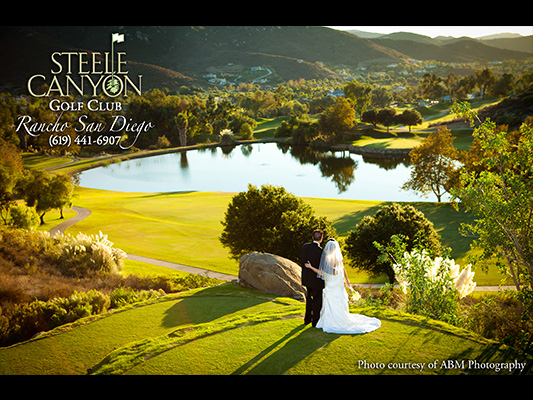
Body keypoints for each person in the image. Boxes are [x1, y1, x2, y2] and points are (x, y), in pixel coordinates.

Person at [305, 238, 381, 334]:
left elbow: (322, 272)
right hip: (338, 282)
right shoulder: (339, 257)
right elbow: (343, 268)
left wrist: (310, 267)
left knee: (331, 299)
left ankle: (331, 320)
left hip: (331, 283)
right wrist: (347, 279)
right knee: (339, 299)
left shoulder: (327, 258)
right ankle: (341, 318)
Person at [300, 229, 324, 327]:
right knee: (317, 301)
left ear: (312, 237)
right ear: (321, 239)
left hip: (307, 279)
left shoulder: (305, 247)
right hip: (317, 281)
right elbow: (322, 268)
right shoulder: (321, 251)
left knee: (309, 299)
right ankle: (315, 322)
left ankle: (307, 319)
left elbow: (302, 261)